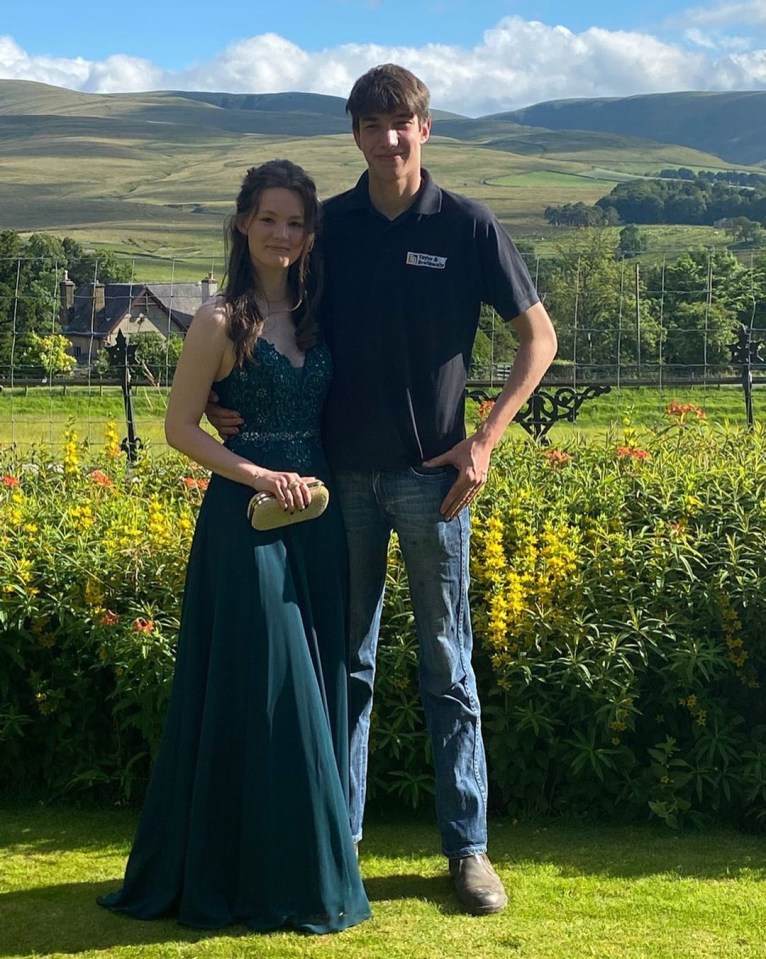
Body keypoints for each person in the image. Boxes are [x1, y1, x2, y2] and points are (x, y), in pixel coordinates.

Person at [208, 65, 558, 916]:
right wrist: (235, 393)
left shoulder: (469, 226)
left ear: (425, 130)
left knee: (448, 666)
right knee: (347, 666)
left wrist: (485, 437)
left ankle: (468, 849)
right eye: (372, 125)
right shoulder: (333, 227)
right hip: (337, 484)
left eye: (402, 124)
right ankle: (343, 840)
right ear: (356, 136)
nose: (388, 138)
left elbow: (538, 338)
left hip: (434, 482)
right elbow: (276, 313)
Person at [98, 159, 371, 934]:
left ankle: (300, 872)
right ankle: (236, 876)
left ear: (309, 233)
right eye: (269, 218)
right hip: (245, 525)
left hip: (315, 518)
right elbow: (179, 427)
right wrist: (257, 472)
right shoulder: (219, 320)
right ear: (242, 224)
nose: (282, 234)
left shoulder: (322, 313)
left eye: (296, 221)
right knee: (261, 689)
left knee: (315, 690)